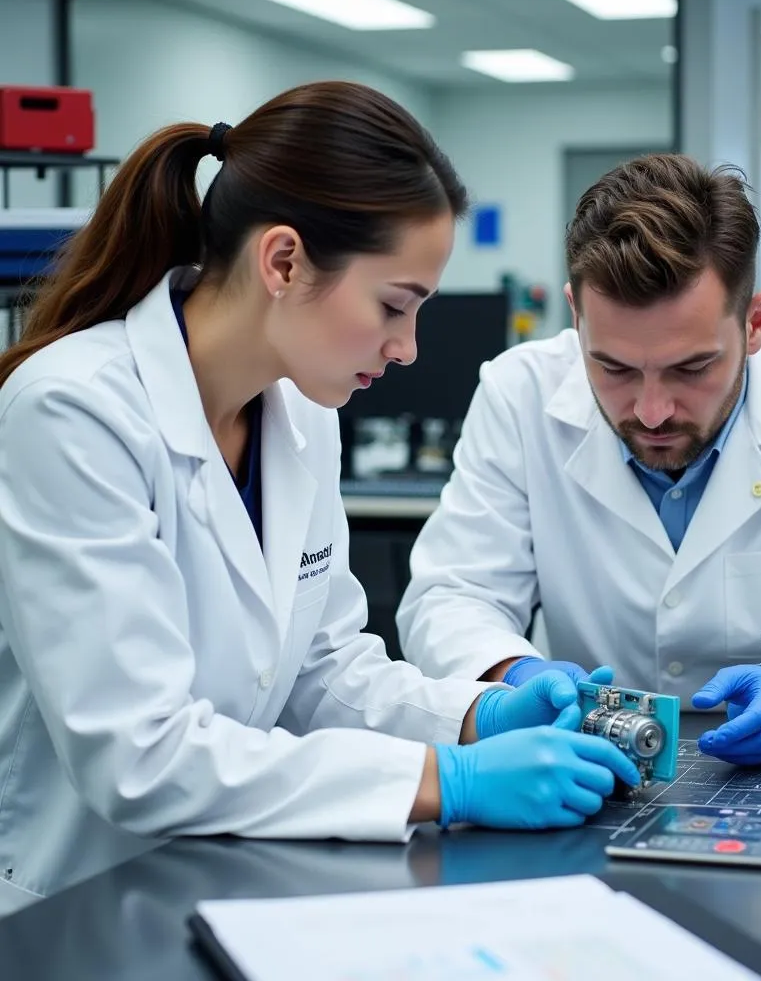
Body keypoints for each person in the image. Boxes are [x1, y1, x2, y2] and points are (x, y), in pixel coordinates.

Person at [0, 81, 639, 913]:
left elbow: (321, 674)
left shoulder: (301, 409)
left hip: (232, 878)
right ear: (284, 261)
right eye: (393, 305)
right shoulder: (73, 410)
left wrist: (480, 716)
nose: (407, 348)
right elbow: (140, 756)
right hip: (78, 904)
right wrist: (448, 780)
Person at [398, 153, 761, 767]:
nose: (651, 411)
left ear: (755, 323)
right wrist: (511, 672)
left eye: (691, 368)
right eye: (614, 367)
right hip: (584, 764)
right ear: (576, 314)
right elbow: (452, 596)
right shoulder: (519, 394)